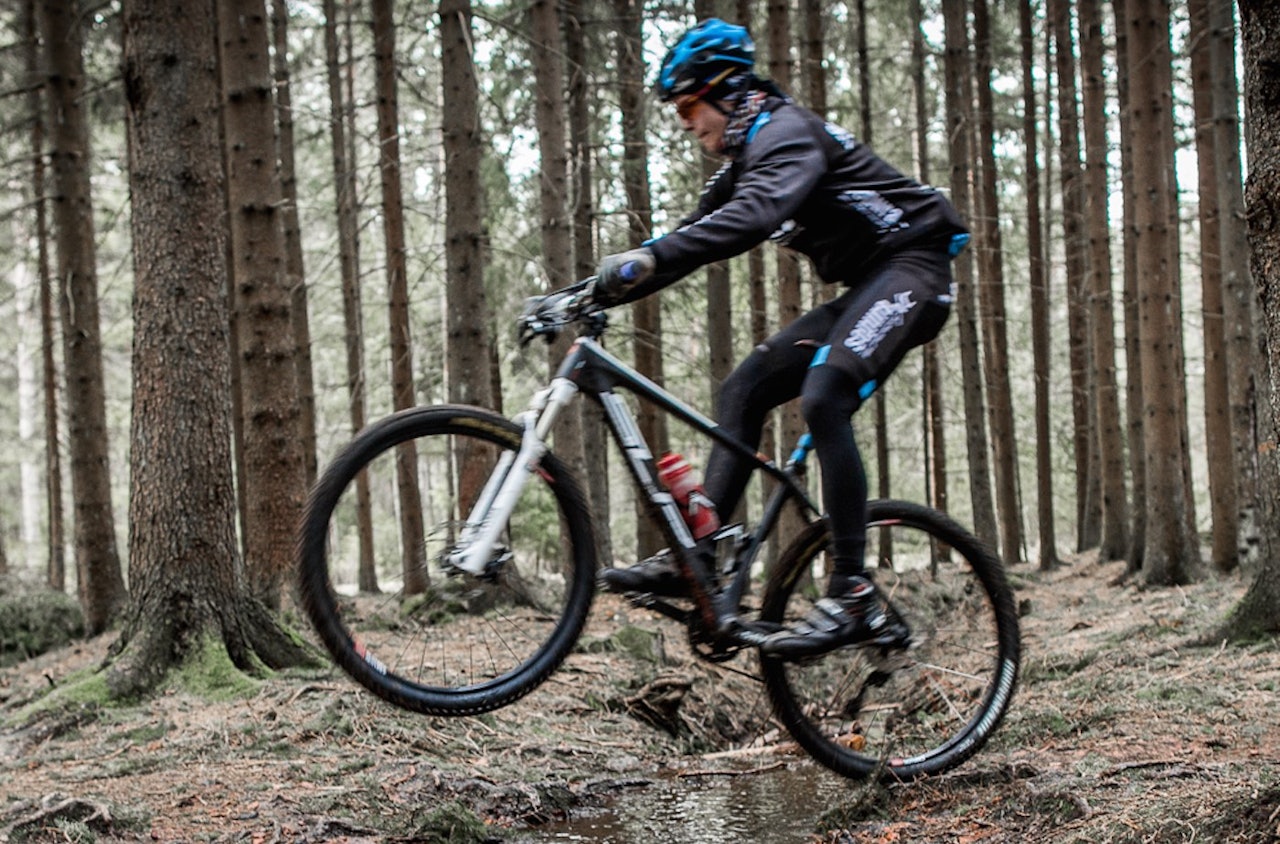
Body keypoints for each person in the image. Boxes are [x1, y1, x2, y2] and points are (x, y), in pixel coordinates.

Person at [593, 18, 969, 658]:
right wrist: (593, 291)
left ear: (729, 90)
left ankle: (851, 591)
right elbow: (690, 238)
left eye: (689, 105)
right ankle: (701, 556)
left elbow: (754, 217)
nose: (686, 123)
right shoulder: (748, 158)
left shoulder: (787, 134)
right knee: (744, 386)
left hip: (916, 269)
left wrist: (647, 260)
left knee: (824, 396)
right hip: (870, 284)